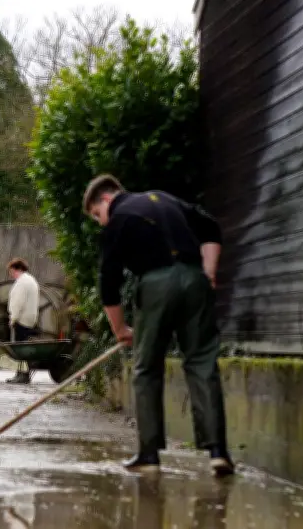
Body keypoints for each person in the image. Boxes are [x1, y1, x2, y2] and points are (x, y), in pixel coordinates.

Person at [83, 173, 234, 477]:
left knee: (147, 367)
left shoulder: (117, 220)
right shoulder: (164, 198)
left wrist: (120, 330)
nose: (101, 222)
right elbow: (210, 227)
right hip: (194, 280)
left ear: (107, 199)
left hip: (156, 284)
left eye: (98, 214)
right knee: (202, 362)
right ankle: (218, 452)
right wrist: (209, 271)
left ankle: (149, 454)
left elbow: (108, 283)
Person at [6, 257, 40, 384]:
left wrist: (13, 318)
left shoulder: (22, 282)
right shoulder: (31, 280)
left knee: (21, 349)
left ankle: (22, 375)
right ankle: (22, 374)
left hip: (22, 318)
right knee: (24, 347)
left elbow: (18, 302)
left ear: (17, 269)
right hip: (30, 318)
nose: (11, 274)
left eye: (11, 271)